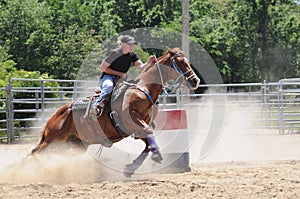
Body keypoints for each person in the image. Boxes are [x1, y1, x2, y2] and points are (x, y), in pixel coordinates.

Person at [91, 35, 155, 116]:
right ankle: (95, 106)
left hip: (121, 79)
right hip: (108, 77)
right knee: (109, 87)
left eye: (133, 44)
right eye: (130, 44)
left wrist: (149, 62)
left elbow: (142, 67)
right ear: (123, 44)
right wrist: (120, 74)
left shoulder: (132, 55)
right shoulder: (115, 53)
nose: (132, 46)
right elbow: (103, 68)